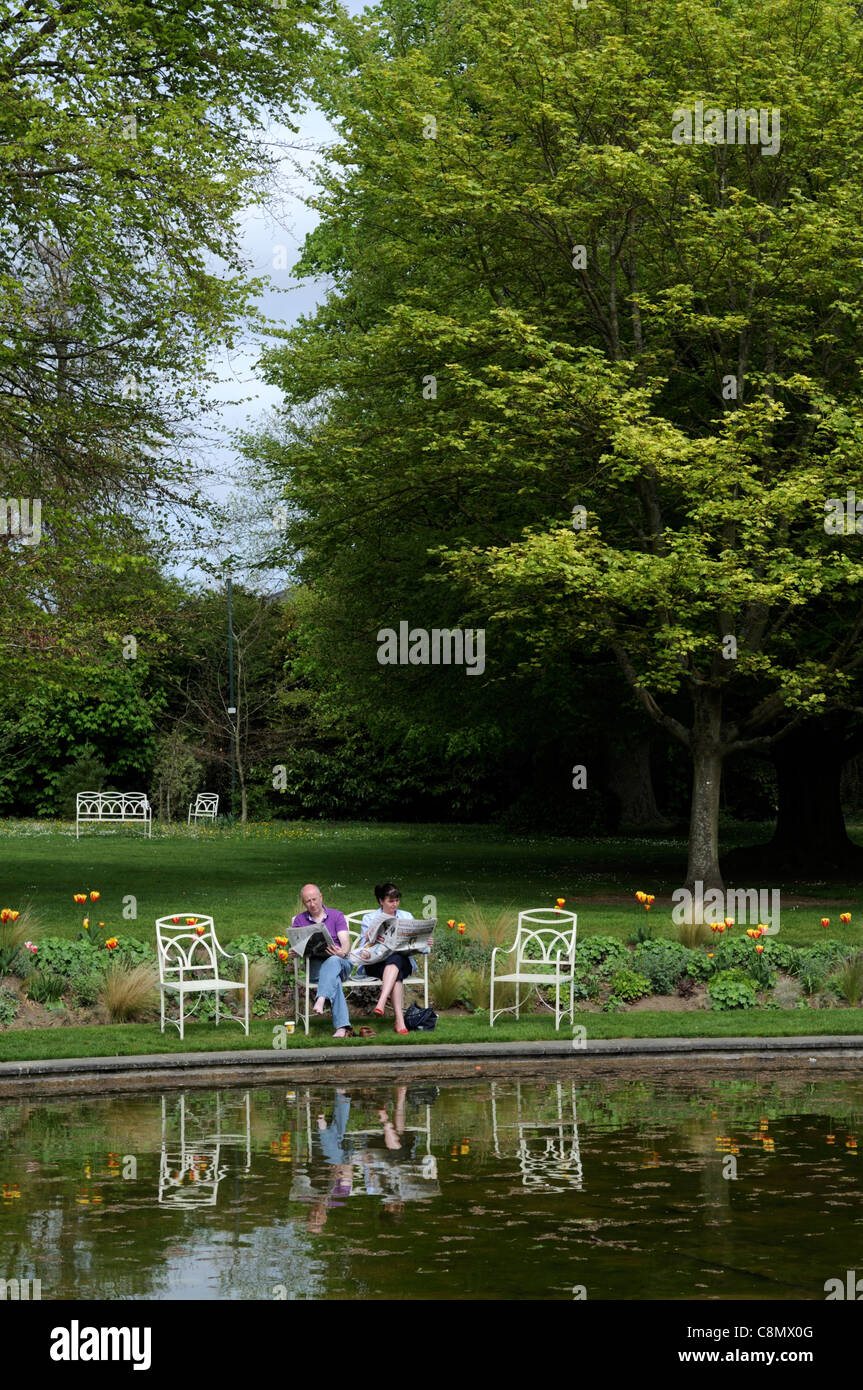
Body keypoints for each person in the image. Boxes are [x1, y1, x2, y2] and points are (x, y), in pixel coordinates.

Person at [358, 883, 431, 1034]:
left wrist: (425, 942)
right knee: (396, 969)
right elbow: (363, 951)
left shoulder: (406, 916)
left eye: (397, 900)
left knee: (396, 958)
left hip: (402, 961)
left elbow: (417, 945)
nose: (395, 904)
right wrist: (367, 938)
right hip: (377, 963)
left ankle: (382, 1001)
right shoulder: (369, 918)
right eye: (391, 901)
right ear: (381, 901)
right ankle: (399, 1020)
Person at [291, 884, 354, 1038]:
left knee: (333, 961)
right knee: (335, 980)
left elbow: (345, 942)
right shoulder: (299, 920)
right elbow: (296, 946)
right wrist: (295, 952)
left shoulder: (336, 915)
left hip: (341, 962)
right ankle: (342, 1028)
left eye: (314, 899)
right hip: (316, 967)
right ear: (303, 903)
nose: (312, 904)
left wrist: (342, 951)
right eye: (307, 901)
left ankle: (321, 998)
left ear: (321, 897)